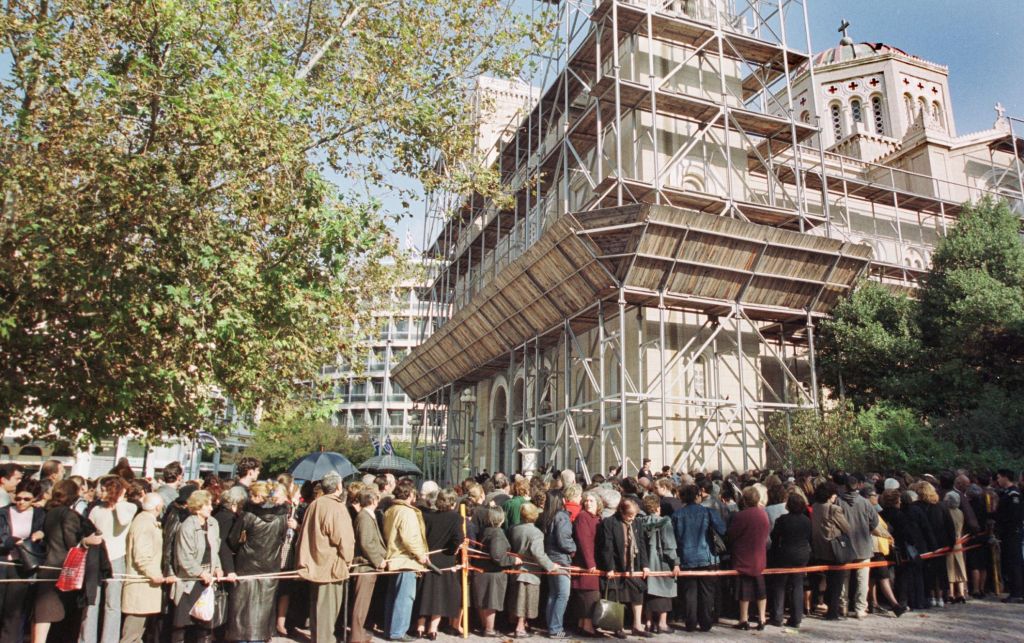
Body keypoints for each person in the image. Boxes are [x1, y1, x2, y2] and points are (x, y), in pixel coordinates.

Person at [33, 479, 104, 643]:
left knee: (43, 619)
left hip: (48, 566)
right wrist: (87, 541)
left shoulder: (51, 512)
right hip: (64, 571)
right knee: (59, 620)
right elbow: (72, 543)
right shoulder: (70, 515)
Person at [225, 480, 291, 643]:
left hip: (246, 566)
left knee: (241, 613)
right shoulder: (282, 517)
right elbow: (282, 539)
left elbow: (233, 541)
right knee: (262, 612)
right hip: (270, 567)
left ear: (258, 496)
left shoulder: (248, 516)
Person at [296, 472, 354, 643]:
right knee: (327, 613)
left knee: (318, 610)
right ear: (338, 486)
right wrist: (348, 560)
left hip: (315, 563)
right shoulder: (335, 507)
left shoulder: (315, 504)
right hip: (330, 566)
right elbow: (345, 539)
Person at [83, 476, 138, 643]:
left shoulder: (129, 507)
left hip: (116, 557)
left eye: (107, 489)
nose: (102, 492)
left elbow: (122, 520)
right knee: (91, 602)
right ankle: (86, 639)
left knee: (112, 604)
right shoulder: (96, 510)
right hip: (96, 557)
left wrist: (119, 500)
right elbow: (88, 529)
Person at [171, 490, 227, 643]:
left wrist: (217, 568)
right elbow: (184, 556)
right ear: (197, 507)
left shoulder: (213, 524)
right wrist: (200, 572)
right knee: (181, 624)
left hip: (208, 579)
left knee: (205, 624)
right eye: (207, 505)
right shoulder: (187, 526)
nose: (211, 508)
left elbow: (215, 549)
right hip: (190, 580)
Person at [122, 493, 178, 643]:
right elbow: (141, 555)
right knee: (131, 635)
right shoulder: (144, 523)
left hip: (145, 586)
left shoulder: (146, 521)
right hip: (141, 585)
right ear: (158, 507)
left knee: (138, 635)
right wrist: (155, 574)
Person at [672, 483, 725, 633]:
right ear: (698, 496)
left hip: (686, 557)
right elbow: (722, 529)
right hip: (707, 557)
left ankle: (690, 622)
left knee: (689, 593)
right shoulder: (709, 512)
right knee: (707, 592)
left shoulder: (676, 515)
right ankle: (706, 622)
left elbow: (674, 539)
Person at [597, 497, 651, 639]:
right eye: (629, 515)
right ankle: (617, 626)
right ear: (621, 511)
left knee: (638, 593)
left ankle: (637, 625)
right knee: (616, 595)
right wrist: (609, 567)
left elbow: (641, 544)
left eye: (634, 515)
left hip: (634, 565)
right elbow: (606, 547)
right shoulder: (609, 523)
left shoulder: (637, 522)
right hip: (616, 564)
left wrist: (645, 565)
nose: (632, 518)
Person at [382, 479, 429, 642]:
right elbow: (410, 538)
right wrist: (420, 554)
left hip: (394, 557)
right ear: (409, 494)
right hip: (405, 559)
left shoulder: (391, 509)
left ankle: (391, 629)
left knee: (393, 596)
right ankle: (398, 631)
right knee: (405, 597)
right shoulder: (406, 512)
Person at [0, 478, 45, 643]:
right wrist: (15, 541)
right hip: (4, 562)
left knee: (15, 612)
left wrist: (40, 534)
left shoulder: (40, 514)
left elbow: (44, 535)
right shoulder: (4, 512)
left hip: (24, 566)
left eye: (26, 499)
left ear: (34, 499)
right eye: (18, 498)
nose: (21, 502)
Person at [416, 489, 464, 639]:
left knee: (426, 592)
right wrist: (453, 549)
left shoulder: (428, 516)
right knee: (440, 595)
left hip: (429, 557)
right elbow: (458, 538)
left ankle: (420, 626)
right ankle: (433, 628)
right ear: (453, 502)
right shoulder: (455, 517)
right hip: (445, 558)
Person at [507, 503, 558, 638]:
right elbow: (538, 553)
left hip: (517, 569)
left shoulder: (514, 529)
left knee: (518, 600)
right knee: (526, 602)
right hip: (530, 572)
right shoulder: (536, 533)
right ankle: (520, 628)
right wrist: (550, 566)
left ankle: (522, 625)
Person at [727, 486, 770, 631]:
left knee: (744, 590)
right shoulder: (763, 514)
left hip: (743, 556)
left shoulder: (740, 516)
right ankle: (762, 618)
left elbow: (732, 535)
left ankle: (744, 619)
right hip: (759, 555)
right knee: (760, 589)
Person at [836, 474, 878, 619]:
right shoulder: (865, 503)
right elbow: (875, 521)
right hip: (863, 545)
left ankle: (843, 607)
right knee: (862, 579)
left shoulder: (838, 502)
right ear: (858, 486)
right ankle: (861, 608)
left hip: (845, 545)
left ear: (845, 486)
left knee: (844, 579)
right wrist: (868, 531)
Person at [767, 492, 812, 629]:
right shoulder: (806, 520)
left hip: (785, 554)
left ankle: (777, 616)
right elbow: (810, 537)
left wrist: (774, 553)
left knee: (780, 584)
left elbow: (774, 537)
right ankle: (797, 617)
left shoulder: (782, 520)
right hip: (802, 554)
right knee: (798, 584)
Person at [637, 494, 680, 634]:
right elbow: (669, 545)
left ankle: (649, 623)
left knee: (648, 592)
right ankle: (662, 623)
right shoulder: (665, 522)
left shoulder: (640, 522)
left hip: (645, 563)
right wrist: (676, 562)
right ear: (657, 507)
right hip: (661, 563)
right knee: (664, 591)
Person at [471, 507, 515, 637]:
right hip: (493, 572)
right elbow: (497, 556)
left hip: (482, 571)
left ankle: (485, 626)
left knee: (483, 601)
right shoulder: (498, 533)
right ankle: (489, 629)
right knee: (491, 602)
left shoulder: (484, 530)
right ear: (501, 518)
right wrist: (513, 560)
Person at [810, 481, 850, 621]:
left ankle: (822, 604)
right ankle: (833, 611)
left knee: (825, 580)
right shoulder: (834, 509)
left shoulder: (814, 507)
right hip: (833, 550)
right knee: (836, 582)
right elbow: (847, 528)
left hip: (819, 549)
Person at [351, 488, 387, 643]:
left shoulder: (367, 516)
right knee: (360, 605)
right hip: (365, 567)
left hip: (369, 566)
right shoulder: (364, 517)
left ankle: (359, 634)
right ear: (372, 500)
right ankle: (356, 638)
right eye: (377, 499)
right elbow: (366, 543)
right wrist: (378, 560)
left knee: (364, 605)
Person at [538, 489, 575, 639]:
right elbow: (564, 539)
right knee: (563, 594)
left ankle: (551, 626)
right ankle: (556, 629)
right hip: (561, 559)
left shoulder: (546, 516)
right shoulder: (561, 517)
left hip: (550, 557)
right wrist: (573, 548)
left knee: (553, 594)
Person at [571, 491, 602, 636]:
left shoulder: (596, 518)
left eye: (592, 501)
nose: (588, 503)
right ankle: (587, 626)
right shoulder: (583, 517)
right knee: (589, 594)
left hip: (592, 560)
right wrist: (590, 563)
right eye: (586, 501)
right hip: (585, 561)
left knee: (587, 594)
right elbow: (584, 542)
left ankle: (583, 624)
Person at [994, 468, 1023, 603]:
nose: (998, 480)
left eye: (999, 477)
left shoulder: (1013, 494)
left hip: (1012, 532)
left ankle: (1017, 592)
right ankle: (1013, 590)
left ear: (1006, 477)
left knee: (1014, 562)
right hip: (1006, 533)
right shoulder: (1005, 493)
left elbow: (1014, 515)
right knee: (1008, 561)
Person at [943, 490, 968, 603]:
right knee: (960, 566)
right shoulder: (960, 512)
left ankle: (951, 593)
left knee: (950, 567)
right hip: (959, 541)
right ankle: (962, 593)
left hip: (949, 542)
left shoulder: (946, 512)